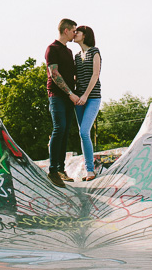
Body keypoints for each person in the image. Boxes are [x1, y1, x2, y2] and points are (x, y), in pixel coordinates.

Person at [44, 18, 80, 188]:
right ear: (66, 30)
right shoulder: (52, 49)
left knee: (65, 131)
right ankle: (52, 171)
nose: (75, 33)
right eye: (74, 30)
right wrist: (70, 93)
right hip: (57, 96)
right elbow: (54, 74)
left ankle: (61, 169)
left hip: (69, 98)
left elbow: (70, 74)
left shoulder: (69, 52)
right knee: (59, 128)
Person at [72, 25, 102, 181]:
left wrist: (85, 95)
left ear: (85, 35)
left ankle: (90, 170)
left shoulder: (94, 52)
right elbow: (76, 77)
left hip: (92, 98)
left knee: (84, 132)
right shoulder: (77, 56)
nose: (74, 34)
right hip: (79, 99)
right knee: (83, 135)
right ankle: (88, 170)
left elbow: (95, 75)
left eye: (78, 32)